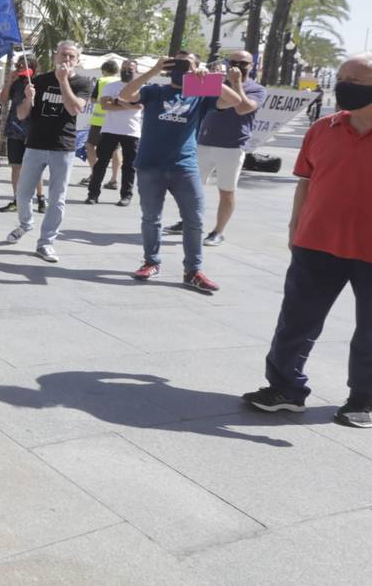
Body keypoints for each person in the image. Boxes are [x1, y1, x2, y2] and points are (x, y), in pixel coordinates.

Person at [242, 53, 372, 428]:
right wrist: (294, 227)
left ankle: (363, 397)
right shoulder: (323, 129)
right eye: (341, 76)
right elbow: (305, 181)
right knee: (296, 321)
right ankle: (285, 389)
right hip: (316, 244)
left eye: (355, 79)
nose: (343, 83)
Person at [119, 51, 245, 293]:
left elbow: (234, 102)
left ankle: (193, 271)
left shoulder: (201, 93)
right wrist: (153, 70)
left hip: (184, 166)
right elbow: (126, 95)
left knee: (194, 220)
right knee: (151, 218)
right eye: (177, 62)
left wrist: (207, 80)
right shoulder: (155, 90)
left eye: (188, 64)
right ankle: (151, 262)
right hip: (150, 165)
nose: (182, 67)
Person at [6, 41, 92, 263]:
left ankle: (45, 243)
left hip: (62, 147)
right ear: (55, 56)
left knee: (57, 198)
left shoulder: (82, 82)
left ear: (78, 60)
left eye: (71, 56)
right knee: (23, 194)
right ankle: (25, 224)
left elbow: (76, 108)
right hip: (35, 144)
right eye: (63, 54)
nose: (66, 59)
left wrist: (63, 80)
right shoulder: (40, 81)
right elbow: (22, 115)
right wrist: (27, 98)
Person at [182, 51, 265, 246]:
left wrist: (236, 83)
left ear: (252, 66)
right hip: (204, 141)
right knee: (191, 187)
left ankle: (218, 231)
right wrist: (199, 73)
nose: (237, 66)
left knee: (226, 191)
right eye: (233, 62)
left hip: (233, 145)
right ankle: (188, 221)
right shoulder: (216, 82)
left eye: (243, 63)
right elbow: (188, 95)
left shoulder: (257, 89)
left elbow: (243, 108)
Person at [86, 59, 143, 206]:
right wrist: (129, 105)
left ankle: (126, 196)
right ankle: (93, 194)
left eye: (130, 69)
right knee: (101, 163)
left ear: (136, 71)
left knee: (129, 166)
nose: (126, 71)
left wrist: (117, 101)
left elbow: (140, 106)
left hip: (131, 131)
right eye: (124, 68)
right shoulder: (111, 86)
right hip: (110, 129)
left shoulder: (141, 88)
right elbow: (105, 105)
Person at [0, 54, 44, 213]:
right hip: (15, 128)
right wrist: (9, 81)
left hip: (34, 129)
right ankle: (16, 200)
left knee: (34, 167)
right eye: (19, 65)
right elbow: (3, 99)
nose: (21, 68)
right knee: (16, 166)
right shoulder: (16, 83)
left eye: (25, 66)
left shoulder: (38, 82)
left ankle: (41, 198)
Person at [81, 59, 122, 190]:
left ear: (104, 71)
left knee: (90, 145)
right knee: (115, 149)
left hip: (99, 121)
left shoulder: (102, 81)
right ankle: (114, 179)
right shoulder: (122, 83)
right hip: (116, 121)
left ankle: (95, 173)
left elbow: (93, 99)